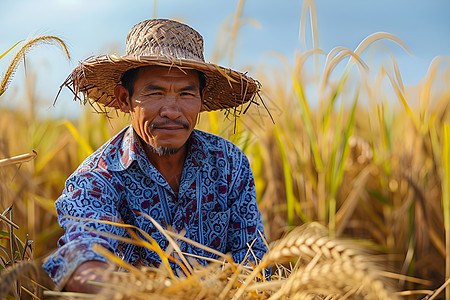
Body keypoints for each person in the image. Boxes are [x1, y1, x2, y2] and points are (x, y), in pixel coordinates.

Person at [42, 19, 268, 293]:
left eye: (186, 94)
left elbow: (252, 260)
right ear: (125, 99)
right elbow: (83, 256)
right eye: (155, 92)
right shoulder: (97, 178)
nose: (171, 110)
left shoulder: (229, 164)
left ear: (200, 98)